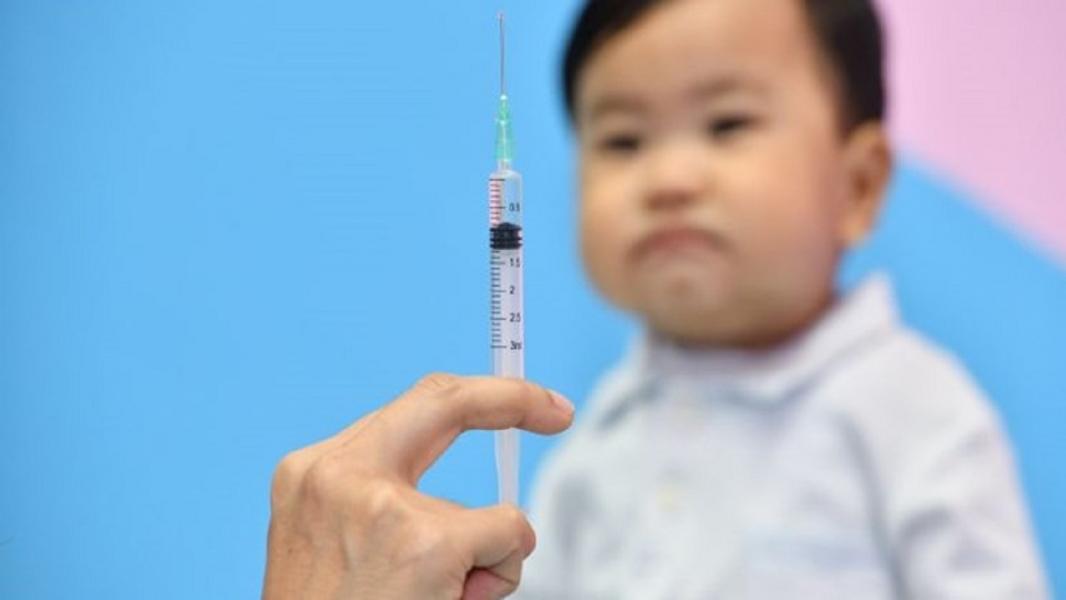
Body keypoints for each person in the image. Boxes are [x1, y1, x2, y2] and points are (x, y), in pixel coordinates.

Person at [262, 1, 1048, 598]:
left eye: (727, 124)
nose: (668, 179)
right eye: (623, 140)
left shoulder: (917, 413)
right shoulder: (598, 441)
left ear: (860, 185)